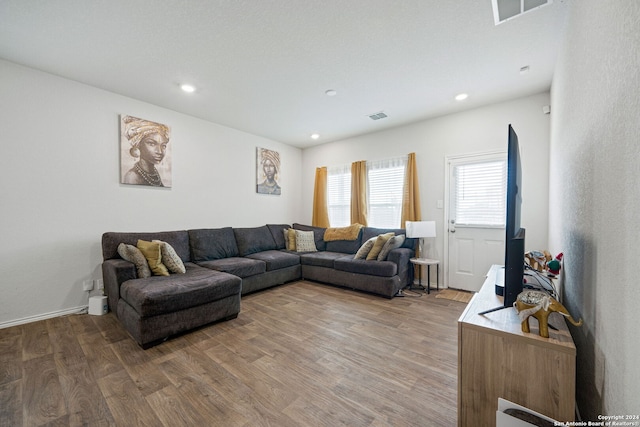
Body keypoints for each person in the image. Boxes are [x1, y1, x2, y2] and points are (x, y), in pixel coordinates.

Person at [121, 116, 171, 187]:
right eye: (152, 144)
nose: (159, 151)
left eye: (163, 146)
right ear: (138, 144)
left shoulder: (154, 174)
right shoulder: (132, 176)